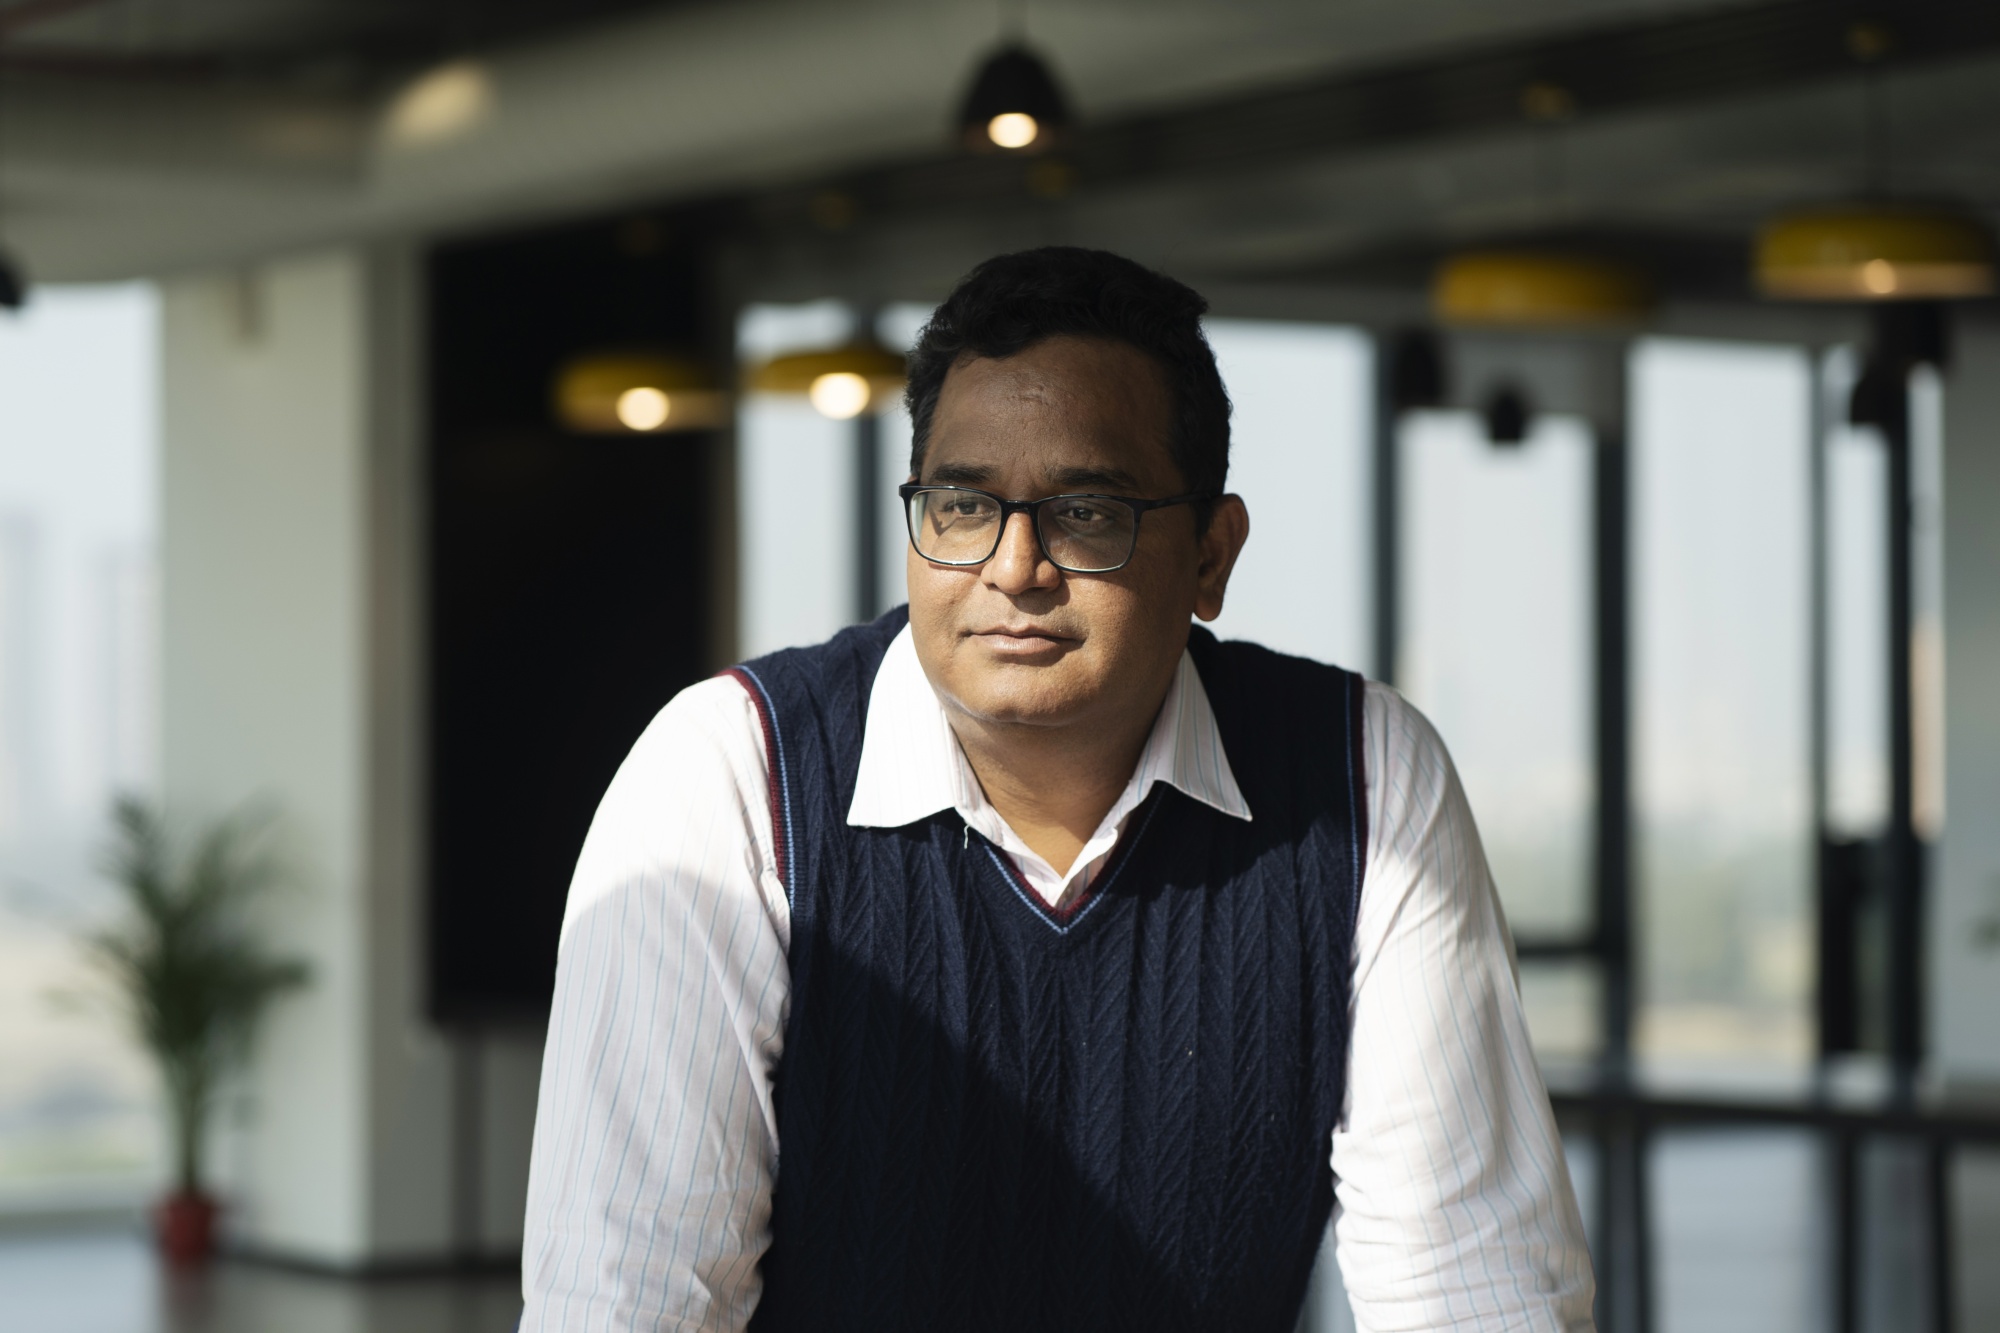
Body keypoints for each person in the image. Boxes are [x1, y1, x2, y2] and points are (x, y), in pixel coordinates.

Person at [520, 247, 1594, 1332]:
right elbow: (626, 1300)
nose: (1013, 566)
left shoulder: (1360, 780)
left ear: (1210, 555)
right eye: (961, 505)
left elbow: (1474, 1289)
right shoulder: (732, 775)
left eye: (1085, 511)